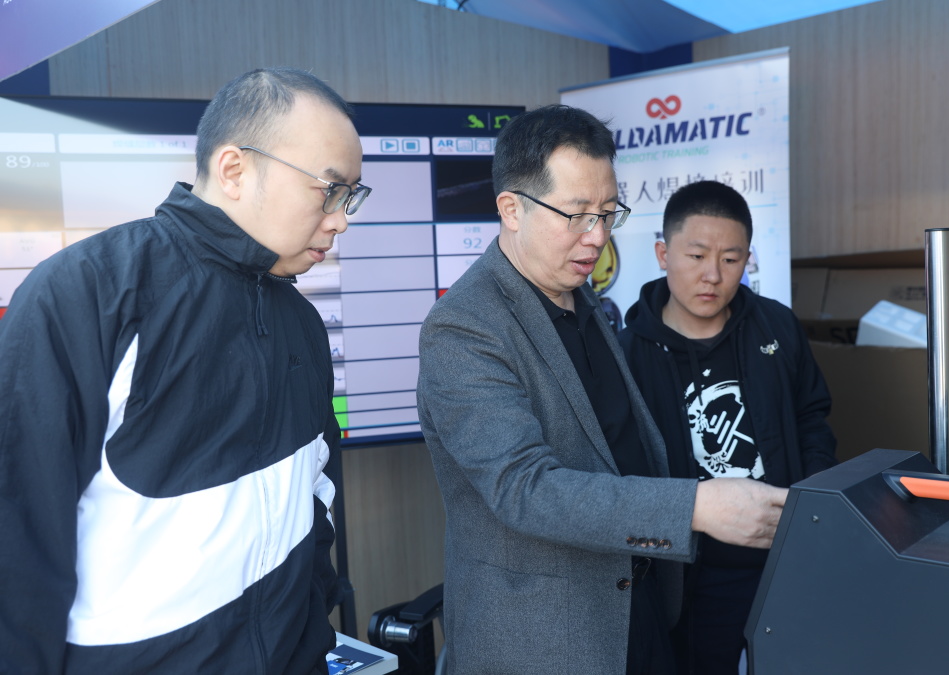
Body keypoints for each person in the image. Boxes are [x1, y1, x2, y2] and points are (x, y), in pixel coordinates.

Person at [0, 67, 369, 673]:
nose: (341, 219)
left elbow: (315, 500)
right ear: (234, 170)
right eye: (329, 190)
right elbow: (17, 542)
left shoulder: (302, 321)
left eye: (351, 196)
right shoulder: (89, 294)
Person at [415, 105, 789, 674]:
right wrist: (696, 506)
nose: (597, 237)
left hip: (639, 603)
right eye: (576, 215)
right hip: (548, 639)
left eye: (608, 213)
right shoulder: (464, 327)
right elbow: (524, 488)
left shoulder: (581, 294)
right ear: (511, 209)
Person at [617, 180, 838, 674]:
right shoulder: (627, 355)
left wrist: (811, 505)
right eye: (696, 256)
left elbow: (812, 417)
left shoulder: (776, 326)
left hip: (785, 558)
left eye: (731, 259)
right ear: (663, 254)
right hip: (690, 577)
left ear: (747, 259)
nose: (712, 275)